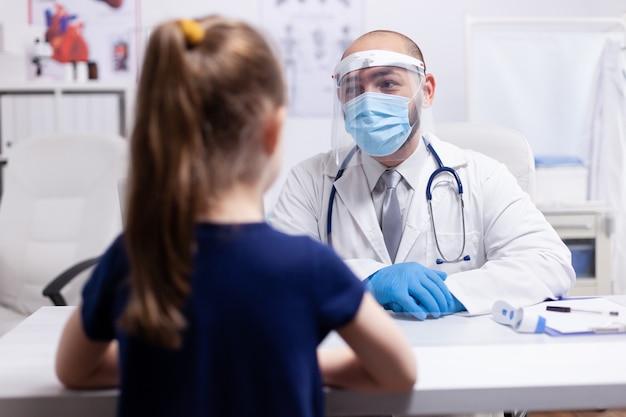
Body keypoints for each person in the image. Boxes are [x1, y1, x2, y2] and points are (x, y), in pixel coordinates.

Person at [54, 16, 416, 417]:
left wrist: (172, 366)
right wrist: (297, 364)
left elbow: (74, 371)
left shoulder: (132, 258)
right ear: (272, 132)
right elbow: (397, 372)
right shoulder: (310, 267)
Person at [270, 29, 576, 319]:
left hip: (457, 355)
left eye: (387, 84)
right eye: (353, 88)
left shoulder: (483, 176)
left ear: (426, 91)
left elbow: (549, 263)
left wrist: (450, 293)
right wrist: (368, 279)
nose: (367, 99)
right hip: (351, 355)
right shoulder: (310, 179)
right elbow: (275, 273)